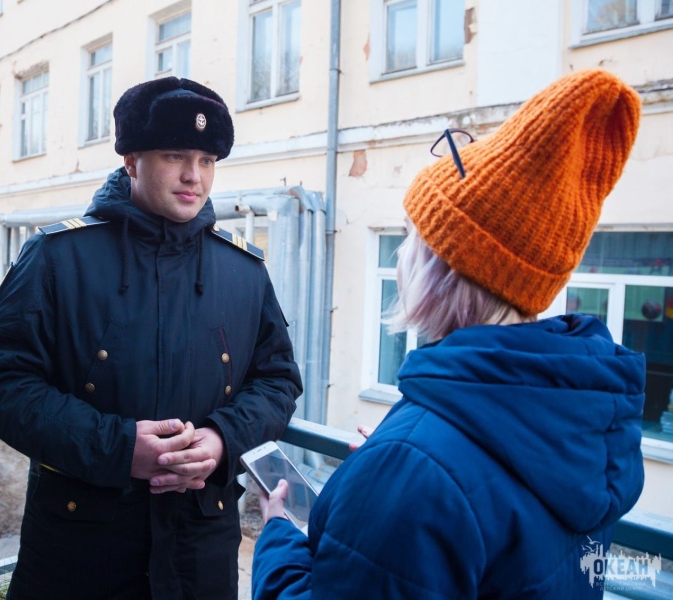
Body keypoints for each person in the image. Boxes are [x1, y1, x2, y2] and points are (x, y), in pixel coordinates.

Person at [251, 68, 645, 598]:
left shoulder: (414, 472)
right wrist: (397, 463)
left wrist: (279, 533)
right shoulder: (583, 423)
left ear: (443, 268)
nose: (399, 256)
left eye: (410, 237)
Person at [0, 76, 302, 599]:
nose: (193, 176)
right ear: (131, 161)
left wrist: (222, 439)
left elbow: (278, 381)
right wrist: (118, 448)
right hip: (80, 557)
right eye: (175, 156)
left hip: (200, 556)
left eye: (207, 160)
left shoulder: (243, 270)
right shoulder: (57, 257)